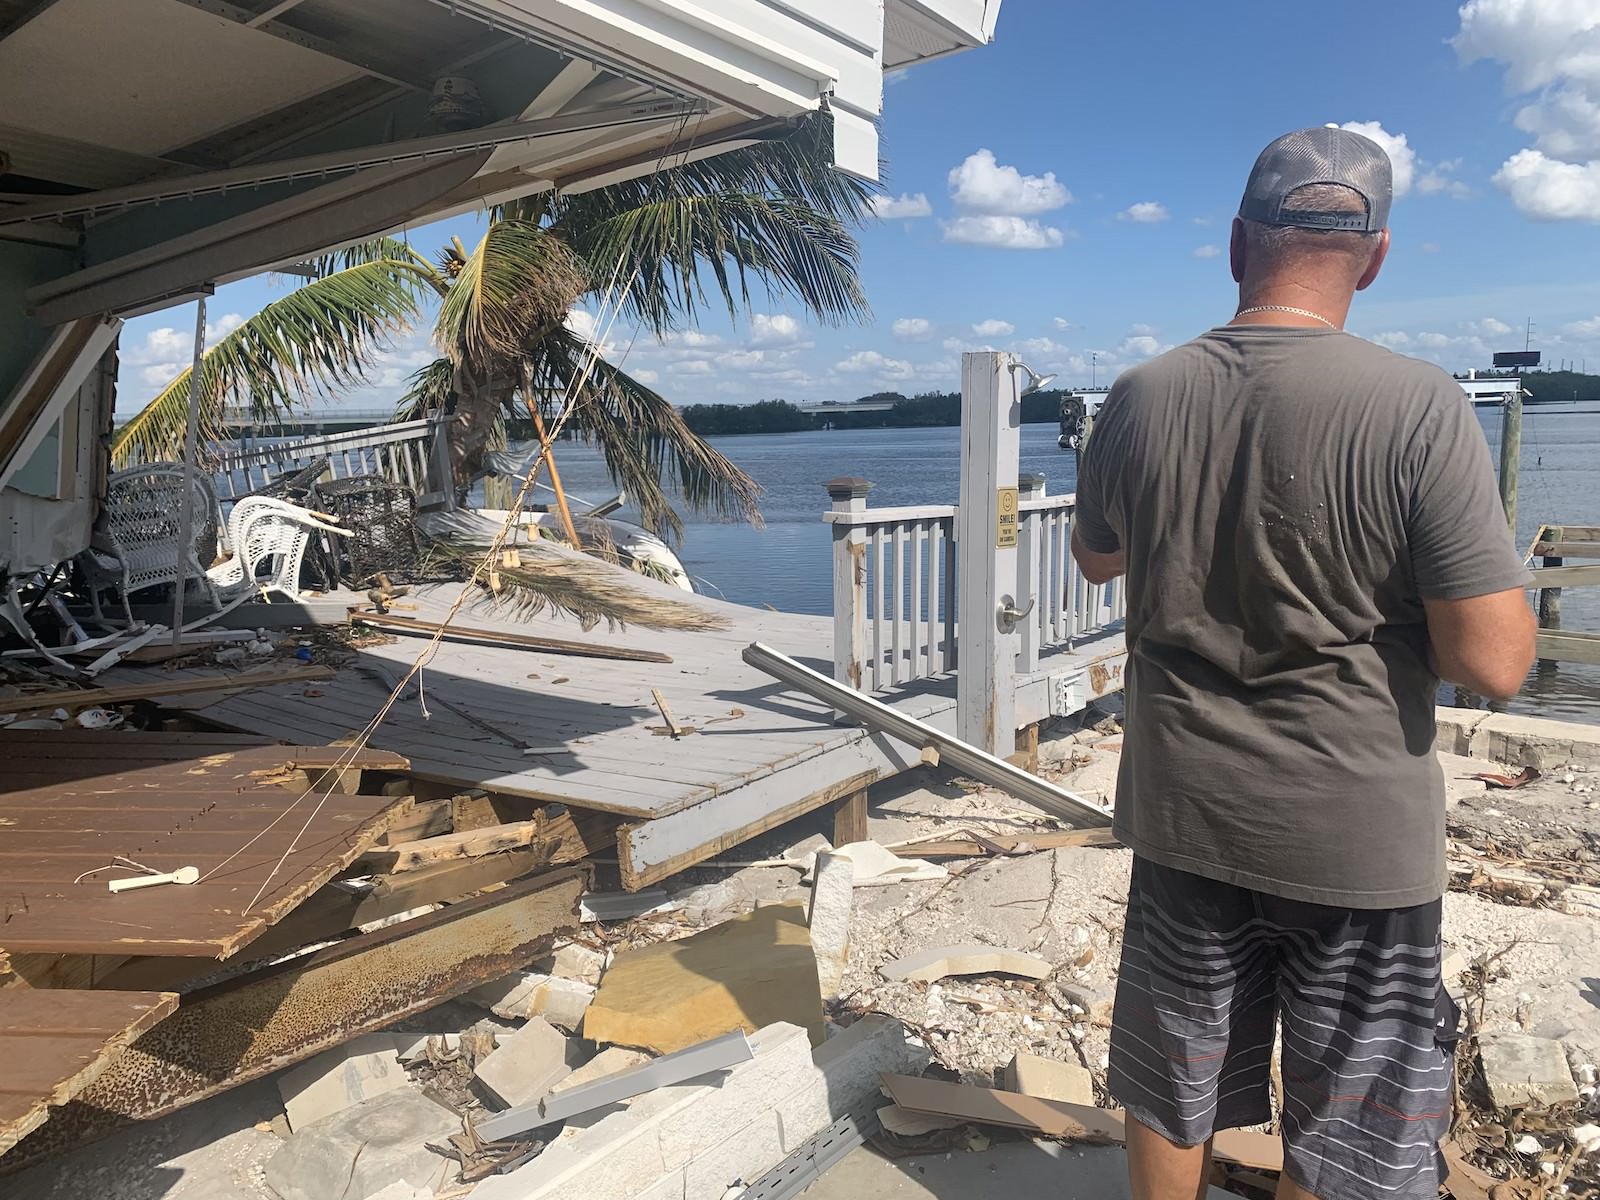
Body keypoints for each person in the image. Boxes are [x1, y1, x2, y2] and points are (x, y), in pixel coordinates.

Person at [1070, 126, 1536, 1200]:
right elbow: (1496, 663)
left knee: (1169, 1065)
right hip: (1353, 834)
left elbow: (1098, 557)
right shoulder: (1420, 407)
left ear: (1236, 244)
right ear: (1373, 257)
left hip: (1184, 809)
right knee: (1349, 1109)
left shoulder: (1141, 394)